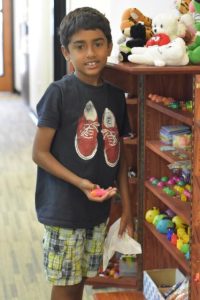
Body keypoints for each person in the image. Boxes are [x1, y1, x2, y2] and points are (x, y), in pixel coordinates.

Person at [32, 6, 133, 300]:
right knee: (64, 285)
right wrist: (80, 183)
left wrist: (126, 207)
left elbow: (120, 155)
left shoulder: (115, 96)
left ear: (110, 46)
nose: (90, 53)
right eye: (80, 46)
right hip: (63, 209)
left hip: (97, 210)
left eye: (98, 44)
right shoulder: (58, 93)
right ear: (66, 53)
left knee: (81, 279)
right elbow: (39, 153)